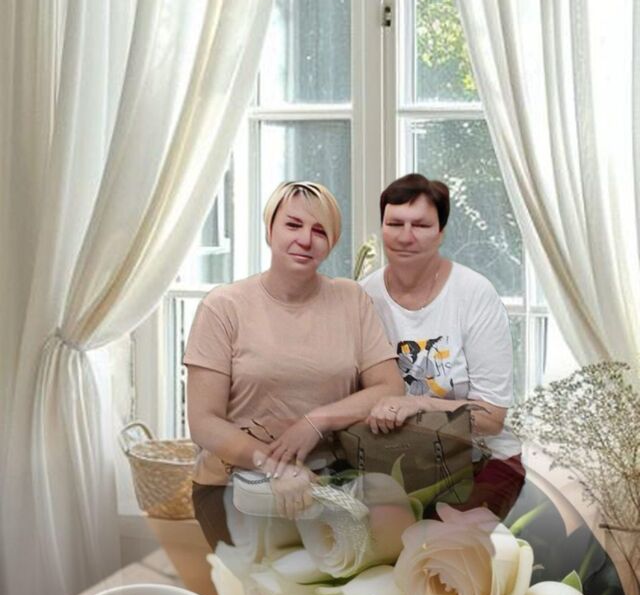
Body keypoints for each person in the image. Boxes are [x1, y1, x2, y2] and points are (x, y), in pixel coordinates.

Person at [184, 180, 403, 544]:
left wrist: (317, 420)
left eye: (319, 231)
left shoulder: (351, 299)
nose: (305, 239)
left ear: (331, 242)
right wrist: (275, 466)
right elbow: (204, 423)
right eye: (293, 224)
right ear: (270, 229)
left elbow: (390, 387)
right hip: (234, 488)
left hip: (327, 486)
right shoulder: (223, 307)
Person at [361, 172, 524, 513]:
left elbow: (492, 417)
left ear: (441, 232)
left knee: (442, 540)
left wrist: (418, 404)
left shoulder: (474, 293)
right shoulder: (363, 296)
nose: (406, 236)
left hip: (483, 459)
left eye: (421, 225)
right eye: (395, 223)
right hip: (400, 458)